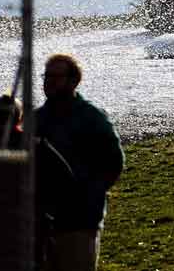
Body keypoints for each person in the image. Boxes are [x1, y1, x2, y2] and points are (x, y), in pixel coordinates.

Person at [36, 53, 124, 271]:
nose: (49, 82)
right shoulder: (35, 119)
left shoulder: (92, 118)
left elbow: (114, 161)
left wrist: (89, 193)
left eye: (57, 77)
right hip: (40, 223)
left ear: (74, 81)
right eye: (47, 76)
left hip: (79, 221)